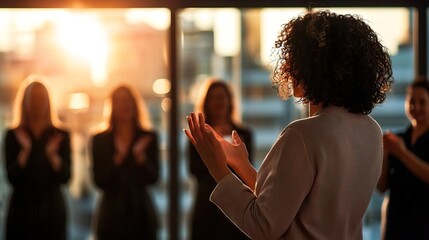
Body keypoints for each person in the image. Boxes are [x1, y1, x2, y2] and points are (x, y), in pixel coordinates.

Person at [184, 10, 393, 239]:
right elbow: (286, 205)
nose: (286, 66)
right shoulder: (371, 130)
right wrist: (242, 165)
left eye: (293, 58)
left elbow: (262, 225)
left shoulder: (302, 135)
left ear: (312, 65)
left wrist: (218, 169)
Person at [3, 75, 71, 240]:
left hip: (52, 213)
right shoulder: (13, 135)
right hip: (21, 213)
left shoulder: (60, 135)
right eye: (33, 98)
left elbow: (66, 177)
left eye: (42, 98)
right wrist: (25, 151)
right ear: (24, 102)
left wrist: (52, 156)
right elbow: (12, 178)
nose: (38, 104)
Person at [91, 85, 159, 240]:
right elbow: (98, 181)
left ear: (135, 104)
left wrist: (141, 159)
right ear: (112, 106)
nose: (124, 106)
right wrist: (118, 159)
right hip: (111, 217)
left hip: (141, 215)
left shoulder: (148, 137)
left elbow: (154, 178)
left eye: (127, 101)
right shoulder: (100, 140)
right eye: (119, 102)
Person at [188, 79, 253, 240]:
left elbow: (245, 170)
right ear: (206, 102)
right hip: (207, 203)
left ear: (229, 101)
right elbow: (194, 170)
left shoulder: (243, 134)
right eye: (213, 98)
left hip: (236, 200)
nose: (218, 102)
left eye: (222, 97)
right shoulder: (199, 136)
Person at [377, 79, 429, 240]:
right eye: (412, 101)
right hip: (396, 226)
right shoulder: (398, 139)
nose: (416, 107)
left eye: (423, 102)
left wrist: (401, 153)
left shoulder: (399, 146)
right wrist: (385, 154)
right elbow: (381, 187)